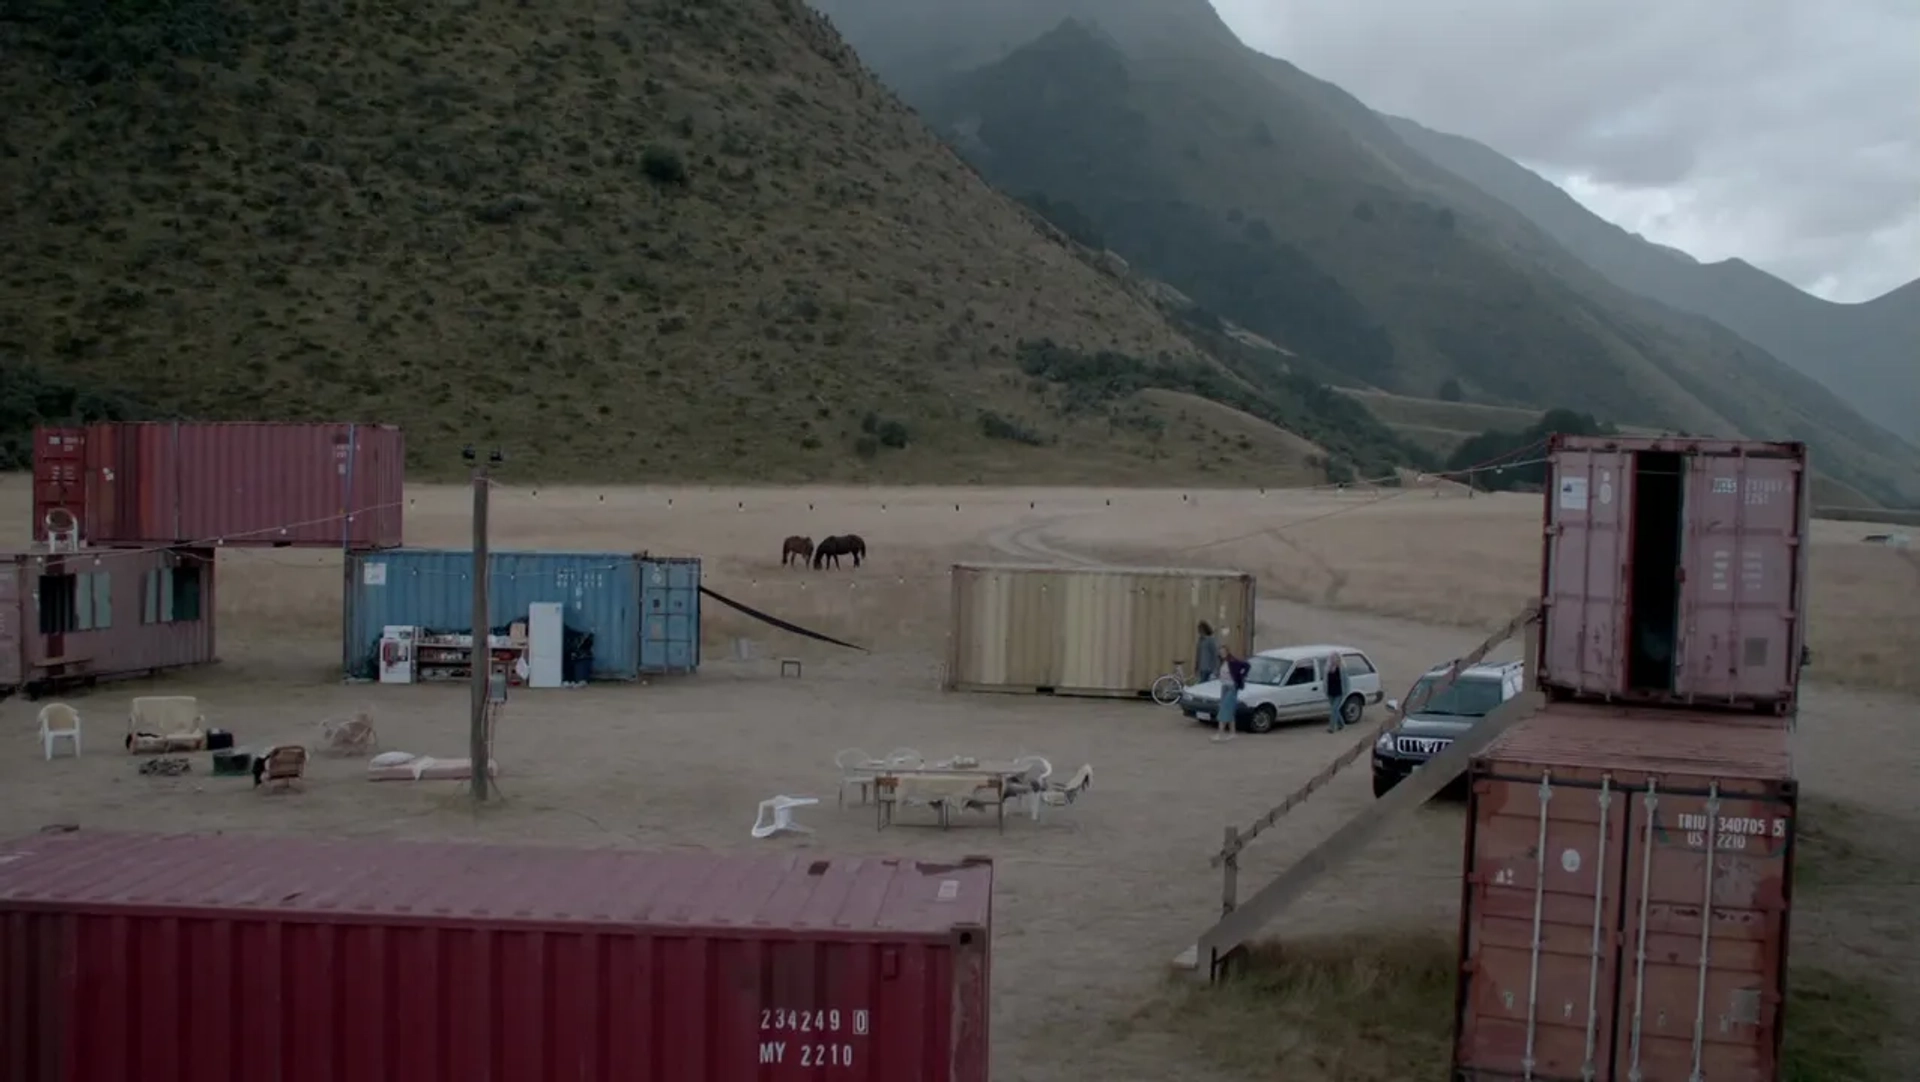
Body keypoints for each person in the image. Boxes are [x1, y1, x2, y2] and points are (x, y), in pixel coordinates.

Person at [1214, 644, 1249, 743]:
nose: (1222, 654)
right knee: (1229, 710)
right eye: (1220, 652)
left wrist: (1242, 676)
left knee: (1224, 709)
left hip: (1232, 687)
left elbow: (1246, 666)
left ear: (1227, 652)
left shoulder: (1233, 661)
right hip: (1224, 686)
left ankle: (1220, 734)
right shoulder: (1222, 662)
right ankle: (1232, 733)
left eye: (1223, 652)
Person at [1324, 650, 1347, 733]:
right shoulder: (1327, 669)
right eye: (1333, 658)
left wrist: (1345, 691)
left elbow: (1346, 681)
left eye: (1336, 658)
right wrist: (1325, 690)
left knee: (1334, 709)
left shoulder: (1342, 669)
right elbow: (1325, 681)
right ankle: (1341, 724)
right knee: (1335, 709)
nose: (1334, 660)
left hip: (1339, 693)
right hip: (1330, 692)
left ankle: (1331, 728)